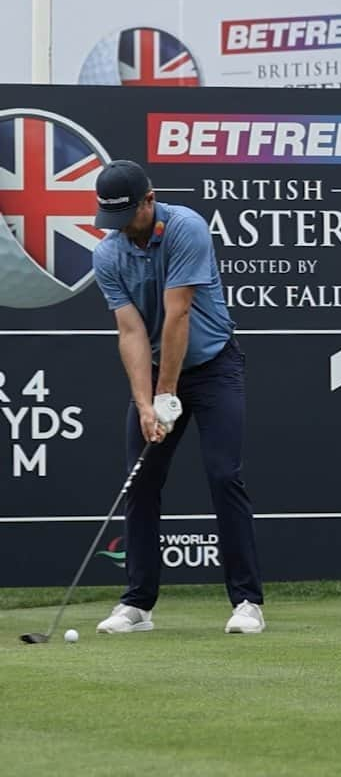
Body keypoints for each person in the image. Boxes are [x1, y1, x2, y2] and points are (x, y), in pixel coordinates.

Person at [92, 160, 264, 635]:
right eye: (114, 219)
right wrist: (146, 405)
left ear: (149, 199)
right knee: (141, 481)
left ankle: (247, 602)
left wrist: (166, 395)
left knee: (223, 474)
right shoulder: (107, 255)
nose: (122, 227)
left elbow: (178, 314)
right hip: (154, 370)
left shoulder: (186, 228)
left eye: (129, 214)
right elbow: (129, 332)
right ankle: (138, 605)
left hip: (213, 368)